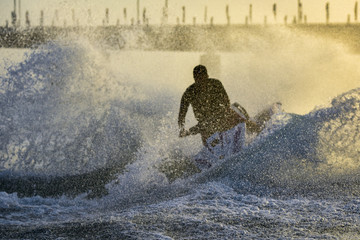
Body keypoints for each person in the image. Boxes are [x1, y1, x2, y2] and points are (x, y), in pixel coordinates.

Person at [178, 65, 245, 145]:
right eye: (198, 79)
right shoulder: (189, 93)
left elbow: (226, 103)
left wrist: (222, 115)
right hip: (204, 123)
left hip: (221, 115)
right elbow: (182, 115)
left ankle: (254, 129)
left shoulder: (216, 84)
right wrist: (182, 129)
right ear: (194, 79)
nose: (201, 82)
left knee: (240, 120)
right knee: (208, 138)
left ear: (207, 76)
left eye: (203, 78)